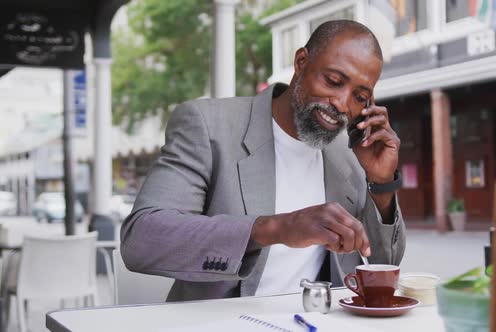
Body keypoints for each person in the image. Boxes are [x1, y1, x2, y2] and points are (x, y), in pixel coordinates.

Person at [121, 20, 406, 302]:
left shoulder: (348, 153)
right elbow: (141, 240)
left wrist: (382, 184)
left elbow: (384, 261)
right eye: (333, 81)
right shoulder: (209, 126)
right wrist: (277, 228)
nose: (343, 104)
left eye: (359, 96)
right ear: (301, 62)